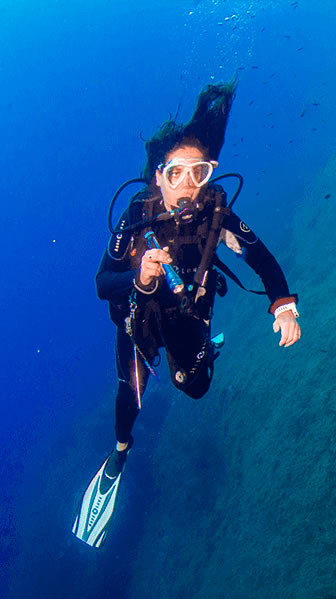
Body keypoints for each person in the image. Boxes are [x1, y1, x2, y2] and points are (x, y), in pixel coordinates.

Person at [72, 82, 300, 547]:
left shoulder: (218, 212)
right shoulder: (137, 216)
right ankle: (119, 455)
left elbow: (262, 258)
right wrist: (138, 274)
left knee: (194, 388)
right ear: (159, 175)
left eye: (200, 172)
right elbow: (101, 283)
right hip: (138, 320)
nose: (189, 185)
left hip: (188, 316)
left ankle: (202, 354)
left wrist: (283, 306)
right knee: (130, 395)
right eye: (177, 172)